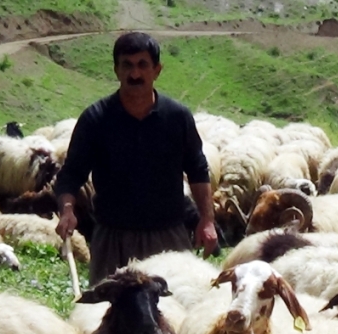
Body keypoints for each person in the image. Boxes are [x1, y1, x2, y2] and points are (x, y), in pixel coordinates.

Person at [54, 31, 218, 285]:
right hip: (113, 238)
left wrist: (207, 220)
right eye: (127, 66)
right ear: (116, 70)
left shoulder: (177, 117)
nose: (135, 74)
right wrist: (67, 210)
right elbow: (71, 174)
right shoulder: (96, 119)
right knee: (109, 314)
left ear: (157, 69)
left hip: (168, 236)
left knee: (175, 312)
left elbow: (197, 169)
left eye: (143, 65)